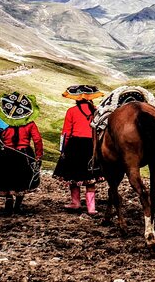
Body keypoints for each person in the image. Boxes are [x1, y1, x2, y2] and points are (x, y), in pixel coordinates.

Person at [52, 85, 104, 215]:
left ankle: (75, 203)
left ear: (76, 99)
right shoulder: (96, 110)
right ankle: (91, 208)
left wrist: (63, 149)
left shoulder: (71, 111)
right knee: (90, 177)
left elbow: (66, 133)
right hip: (91, 145)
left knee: (73, 176)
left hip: (75, 145)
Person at [0, 92, 44, 214]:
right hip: (24, 154)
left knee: (6, 177)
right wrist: (39, 155)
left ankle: (9, 199)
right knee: (22, 180)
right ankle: (18, 205)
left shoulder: (3, 123)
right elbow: (37, 140)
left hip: (6, 153)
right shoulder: (30, 124)